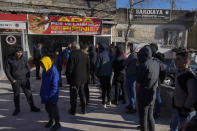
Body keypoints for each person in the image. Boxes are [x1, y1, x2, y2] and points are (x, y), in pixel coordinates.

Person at [5, 46, 40, 116]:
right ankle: (17, 109)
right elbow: (7, 71)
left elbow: (27, 67)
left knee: (28, 94)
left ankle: (32, 107)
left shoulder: (24, 58)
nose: (19, 54)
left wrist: (28, 77)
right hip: (16, 80)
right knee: (16, 95)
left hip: (24, 80)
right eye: (18, 52)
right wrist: (12, 80)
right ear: (15, 52)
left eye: (21, 52)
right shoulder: (9, 59)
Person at [169, 49, 196, 131]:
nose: (175, 61)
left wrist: (185, 108)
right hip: (176, 109)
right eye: (175, 59)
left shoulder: (190, 76)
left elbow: (193, 95)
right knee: (173, 128)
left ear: (186, 62)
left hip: (184, 112)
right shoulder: (179, 73)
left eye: (178, 59)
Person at [136, 45, 160, 131]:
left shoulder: (144, 65)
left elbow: (138, 83)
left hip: (143, 94)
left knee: (143, 118)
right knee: (150, 116)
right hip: (152, 93)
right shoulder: (156, 63)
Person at [66, 42, 89, 115]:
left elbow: (69, 69)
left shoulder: (72, 55)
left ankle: (73, 111)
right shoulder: (85, 55)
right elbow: (88, 67)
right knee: (82, 94)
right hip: (83, 79)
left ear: (73, 48)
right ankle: (84, 110)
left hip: (74, 79)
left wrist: (68, 78)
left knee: (73, 96)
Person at [40, 56, 61, 131]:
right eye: (41, 64)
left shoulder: (53, 71)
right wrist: (41, 92)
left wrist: (50, 95)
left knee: (54, 109)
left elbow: (55, 86)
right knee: (47, 108)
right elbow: (43, 83)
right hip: (46, 94)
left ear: (47, 63)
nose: (41, 66)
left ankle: (57, 123)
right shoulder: (45, 70)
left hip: (52, 94)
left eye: (42, 64)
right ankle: (51, 120)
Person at [149, 43, 166, 119]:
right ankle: (155, 113)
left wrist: (160, 80)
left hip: (156, 80)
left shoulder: (157, 58)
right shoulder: (156, 57)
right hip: (156, 80)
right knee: (155, 97)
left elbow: (163, 71)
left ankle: (156, 113)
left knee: (156, 98)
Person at [95, 42, 112, 108]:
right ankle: (109, 100)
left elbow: (97, 65)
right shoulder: (110, 54)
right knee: (108, 87)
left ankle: (103, 102)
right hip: (109, 73)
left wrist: (96, 73)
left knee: (103, 88)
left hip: (102, 74)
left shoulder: (100, 55)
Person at [124, 43, 138, 113]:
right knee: (132, 91)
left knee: (131, 91)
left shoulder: (132, 55)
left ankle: (132, 107)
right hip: (133, 75)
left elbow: (125, 63)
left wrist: (125, 59)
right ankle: (131, 104)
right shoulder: (136, 55)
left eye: (131, 47)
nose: (130, 48)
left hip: (131, 76)